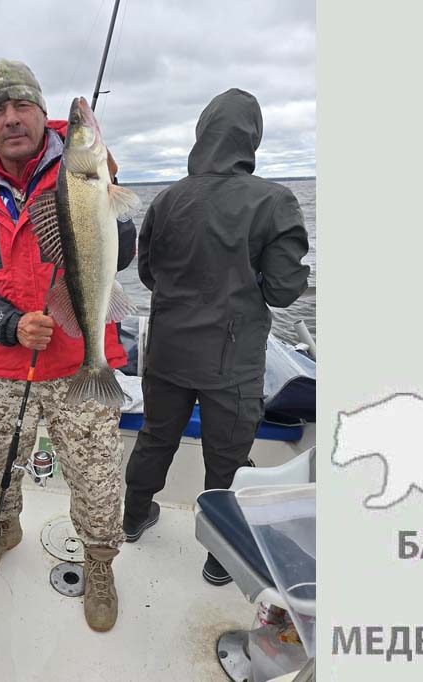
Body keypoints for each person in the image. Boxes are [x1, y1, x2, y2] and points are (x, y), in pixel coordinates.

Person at [0, 58, 136, 631]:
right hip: (4, 361)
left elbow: (122, 254)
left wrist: (109, 194)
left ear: (41, 111)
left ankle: (99, 563)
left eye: (22, 104)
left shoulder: (79, 169)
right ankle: (2, 528)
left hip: (79, 360)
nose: (11, 118)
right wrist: (8, 324)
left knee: (97, 478)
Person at [121, 88, 310, 585]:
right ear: (252, 138)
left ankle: (134, 516)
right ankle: (219, 557)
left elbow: (148, 274)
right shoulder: (275, 201)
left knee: (156, 437)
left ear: (202, 133)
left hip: (167, 351)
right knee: (225, 455)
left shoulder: (167, 199)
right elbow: (285, 290)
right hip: (232, 358)